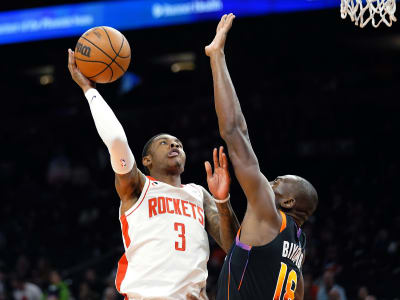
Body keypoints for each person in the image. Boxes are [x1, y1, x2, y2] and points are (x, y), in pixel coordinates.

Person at [67, 50, 239, 300]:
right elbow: (116, 139)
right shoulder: (137, 187)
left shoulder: (198, 193)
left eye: (178, 143)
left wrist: (223, 202)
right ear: (146, 160)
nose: (174, 145)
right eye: (164, 143)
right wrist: (89, 90)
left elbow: (235, 248)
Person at [205, 14, 318, 299]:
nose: (271, 181)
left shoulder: (270, 212)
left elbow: (234, 131)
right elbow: (239, 254)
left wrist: (217, 57)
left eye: (279, 181)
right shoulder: (297, 249)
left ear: (288, 201)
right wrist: (222, 202)